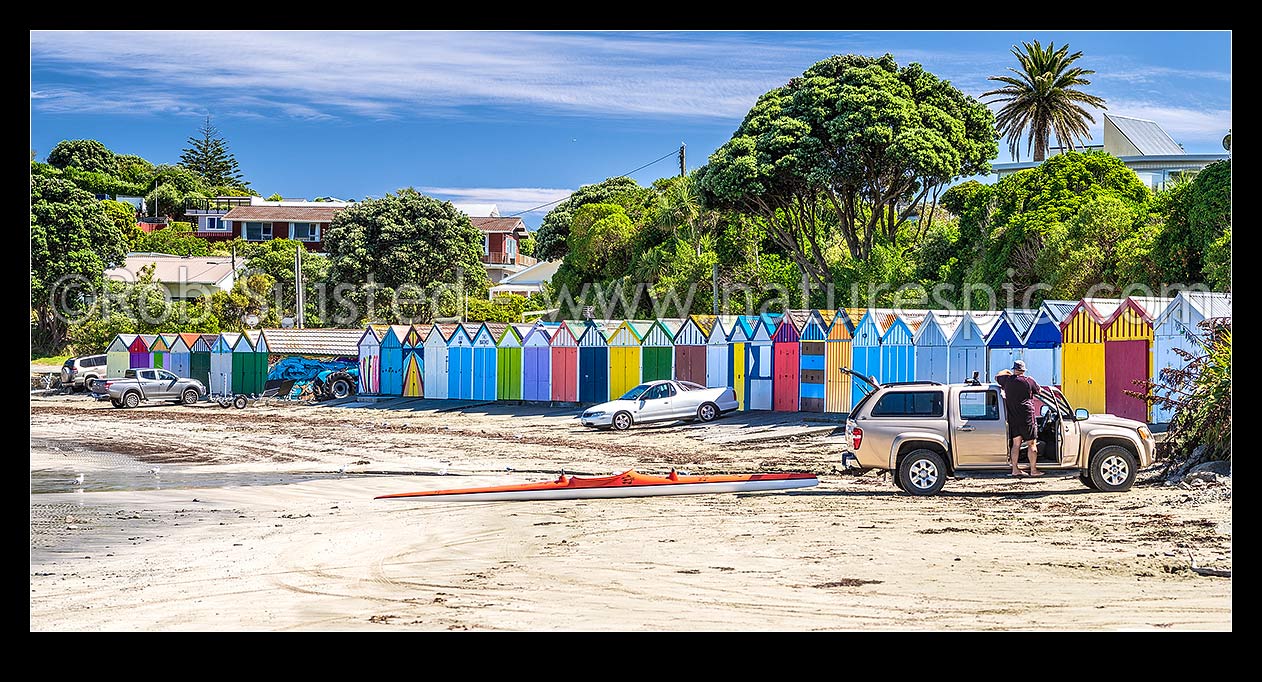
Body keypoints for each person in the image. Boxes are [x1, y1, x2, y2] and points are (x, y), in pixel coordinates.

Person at [995, 360, 1042, 477]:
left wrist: (1008, 374)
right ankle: (1033, 470)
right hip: (1027, 416)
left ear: (1014, 369)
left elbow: (997, 376)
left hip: (1013, 417)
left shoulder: (1007, 380)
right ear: (1024, 370)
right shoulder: (1029, 381)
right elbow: (1039, 391)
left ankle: (1015, 469)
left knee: (1016, 444)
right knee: (1031, 443)